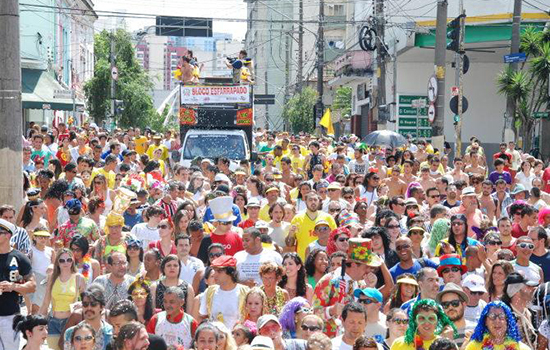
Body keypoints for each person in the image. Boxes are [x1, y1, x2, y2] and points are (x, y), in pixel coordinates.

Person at [312, 238, 387, 337]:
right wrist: (331, 311)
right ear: (354, 264)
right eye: (366, 267)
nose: (369, 271)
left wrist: (370, 288)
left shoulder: (362, 284)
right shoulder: (328, 282)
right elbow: (313, 315)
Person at [40, 248, 86, 349]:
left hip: (70, 321)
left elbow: (86, 301)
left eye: (69, 260)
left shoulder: (79, 278)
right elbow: (46, 302)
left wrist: (81, 304)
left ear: (72, 261)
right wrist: (38, 321)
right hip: (53, 321)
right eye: (62, 260)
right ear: (57, 263)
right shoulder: (52, 277)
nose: (66, 263)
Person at [0, 219, 36, 350]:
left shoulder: (19, 257)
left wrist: (14, 287)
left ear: (8, 235)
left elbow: (32, 285)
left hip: (10, 316)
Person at [199, 255, 250, 329]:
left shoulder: (245, 292)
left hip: (237, 339)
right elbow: (202, 316)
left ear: (230, 273)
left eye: (219, 271)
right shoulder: (210, 291)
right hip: (215, 338)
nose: (214, 274)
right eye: (214, 270)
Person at [390, 299, 456, 350]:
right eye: (421, 318)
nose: (426, 323)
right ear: (415, 320)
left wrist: (448, 344)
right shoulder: (399, 343)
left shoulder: (445, 344)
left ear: (437, 321)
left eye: (431, 318)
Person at [287, 192, 336, 260]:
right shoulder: (297, 219)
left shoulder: (328, 218)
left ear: (319, 201)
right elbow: (290, 244)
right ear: (305, 201)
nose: (313, 202)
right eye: (310, 200)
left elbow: (335, 240)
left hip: (325, 261)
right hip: (303, 261)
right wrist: (291, 234)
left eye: (315, 200)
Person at [63, 284, 113, 350]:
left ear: (102, 307)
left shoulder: (110, 332)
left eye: (93, 304)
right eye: (85, 304)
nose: (89, 308)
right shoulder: (71, 332)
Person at [464, 301, 530, 350]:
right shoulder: (474, 347)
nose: (497, 320)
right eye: (492, 316)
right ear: (485, 321)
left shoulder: (522, 348)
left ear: (507, 321)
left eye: (501, 316)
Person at [435, 283, 475, 347]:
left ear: (464, 305)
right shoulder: (438, 333)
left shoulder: (476, 329)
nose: (450, 307)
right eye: (445, 304)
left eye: (455, 303)